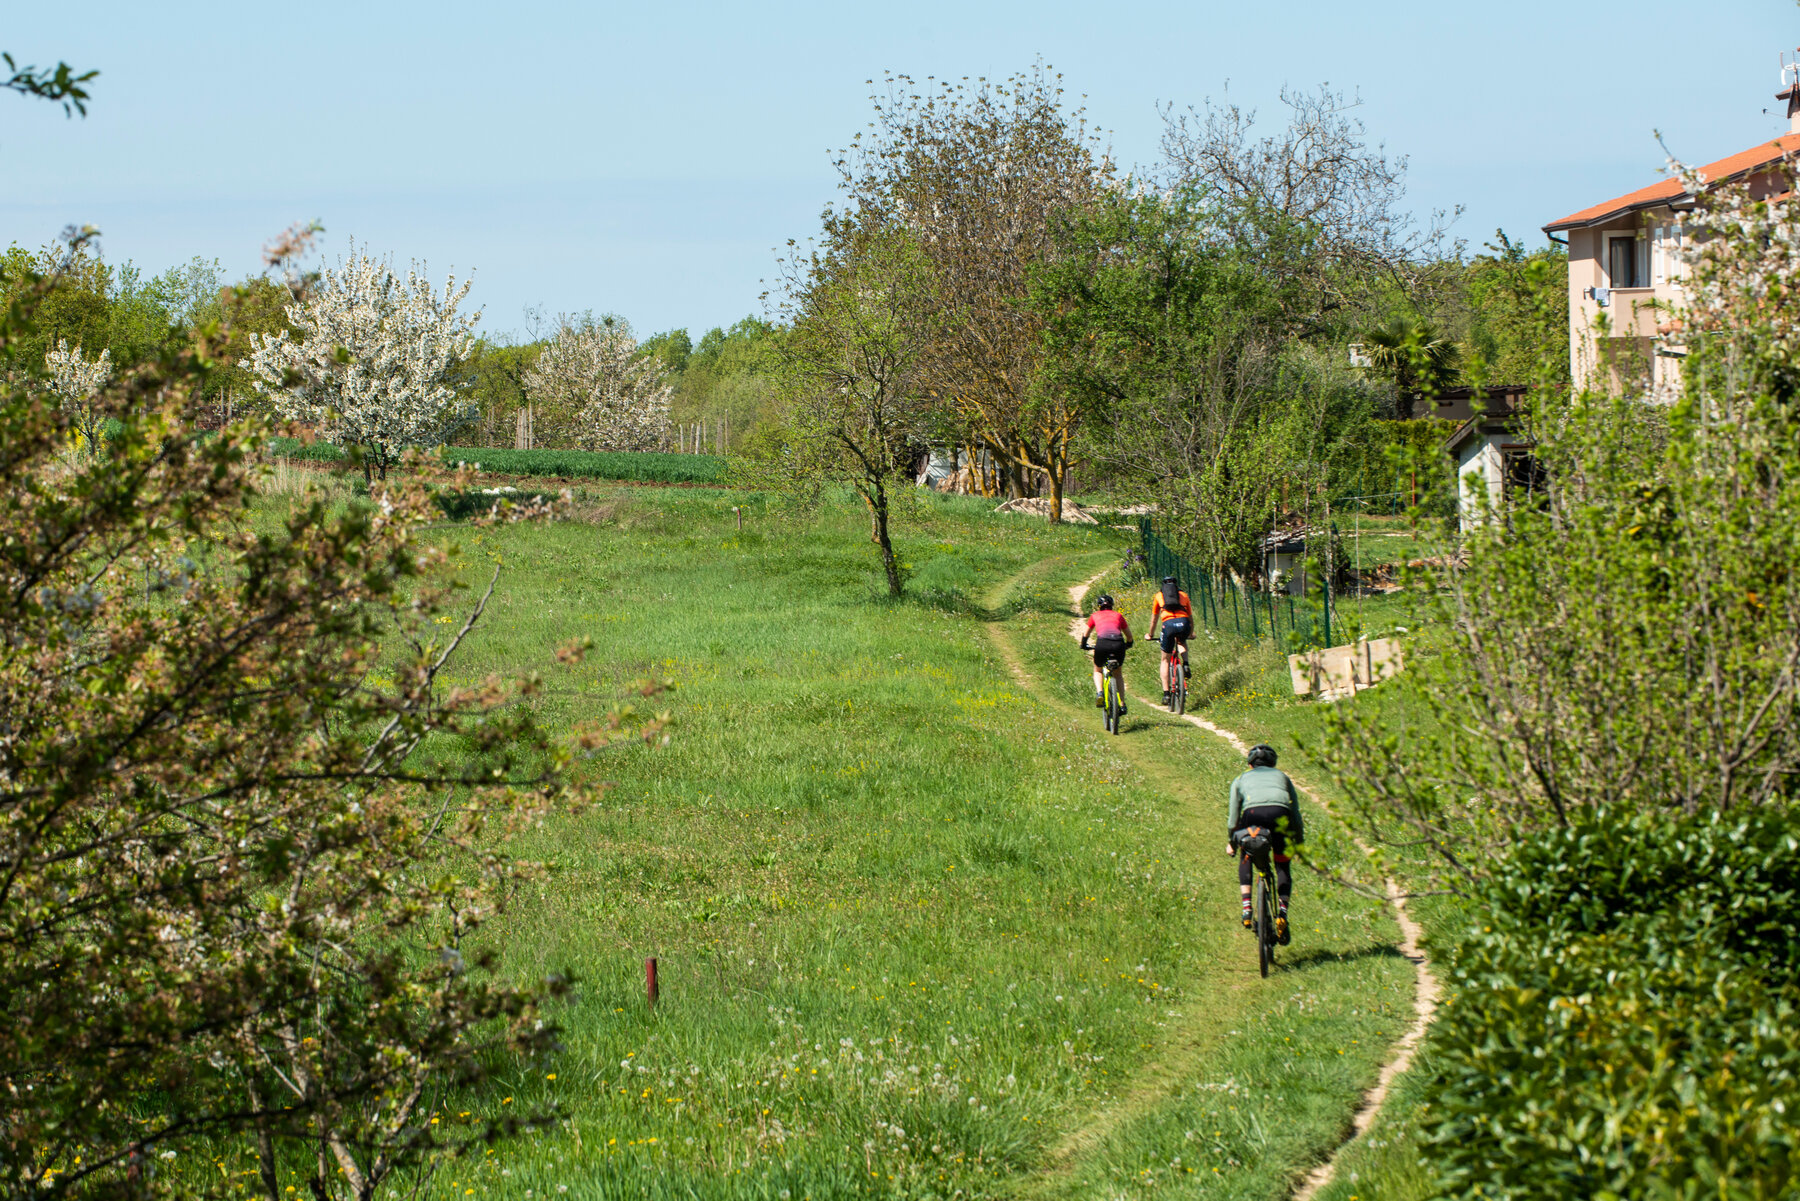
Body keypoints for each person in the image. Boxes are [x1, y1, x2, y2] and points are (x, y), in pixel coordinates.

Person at [1226, 743, 1304, 945]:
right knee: (1282, 865)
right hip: (1281, 816)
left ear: (1250, 764)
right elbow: (1295, 814)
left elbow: (1233, 818)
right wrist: (1298, 841)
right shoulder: (1282, 777)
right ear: (1273, 763)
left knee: (1246, 854)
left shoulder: (1241, 779)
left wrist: (1232, 842)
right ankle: (1282, 913)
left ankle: (1247, 908)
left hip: (1253, 816)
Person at [1079, 593, 1133, 715]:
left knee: (1098, 670)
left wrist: (1083, 644)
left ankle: (1100, 693)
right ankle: (1122, 704)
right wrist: (1128, 644)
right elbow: (1129, 636)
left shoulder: (1094, 616)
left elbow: (1086, 633)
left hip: (1102, 644)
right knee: (1118, 673)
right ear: (1112, 605)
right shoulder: (1118, 615)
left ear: (1099, 606)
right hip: (1118, 644)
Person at [1149, 575, 1194, 706]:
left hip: (1168, 625)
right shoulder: (1184, 595)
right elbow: (1190, 618)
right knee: (1181, 642)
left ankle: (1166, 694)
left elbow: (1154, 619)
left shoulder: (1159, 596)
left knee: (1165, 659)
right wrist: (1191, 633)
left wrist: (1150, 634)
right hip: (1184, 623)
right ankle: (1185, 663)